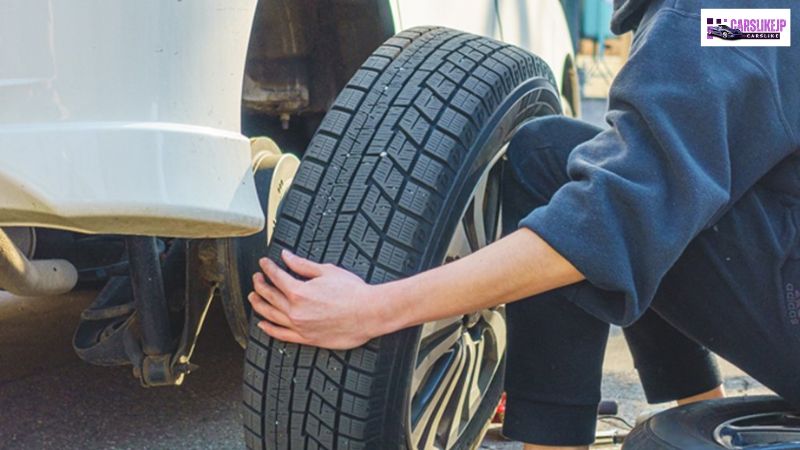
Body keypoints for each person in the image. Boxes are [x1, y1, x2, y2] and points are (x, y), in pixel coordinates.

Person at [247, 0, 800, 448]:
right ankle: (701, 407)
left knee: (580, 185)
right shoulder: (751, 21)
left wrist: (374, 308)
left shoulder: (703, 22)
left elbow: (604, 226)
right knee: (587, 161)